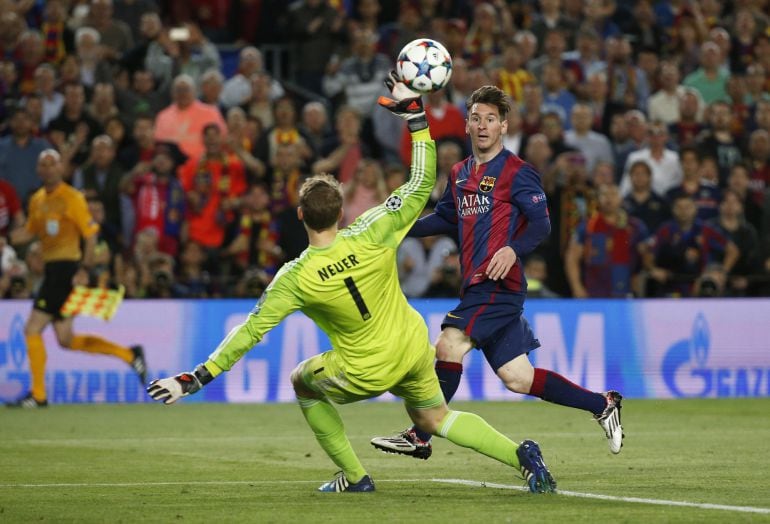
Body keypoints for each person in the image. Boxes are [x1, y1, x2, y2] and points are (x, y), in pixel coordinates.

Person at [146, 74, 556, 494]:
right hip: (413, 347)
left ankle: (356, 477)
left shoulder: (295, 277)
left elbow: (250, 332)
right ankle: (519, 456)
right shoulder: (373, 227)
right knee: (435, 418)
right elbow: (419, 182)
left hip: (367, 368)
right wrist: (415, 117)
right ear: (341, 211)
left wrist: (195, 378)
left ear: (301, 216)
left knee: (302, 381)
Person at [371, 85, 624, 461]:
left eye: (491, 119)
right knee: (518, 377)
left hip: (497, 286)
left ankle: (420, 435)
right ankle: (602, 403)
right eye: (476, 118)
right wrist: (396, 229)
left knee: (449, 344)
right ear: (468, 125)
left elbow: (541, 225)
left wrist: (511, 248)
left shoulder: (519, 172)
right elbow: (444, 218)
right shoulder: (459, 172)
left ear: (504, 126)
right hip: (478, 286)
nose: (483, 125)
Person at [6, 149, 147, 408]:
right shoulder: (37, 200)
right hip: (52, 270)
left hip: (66, 270)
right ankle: (128, 354)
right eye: (43, 164)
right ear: (39, 170)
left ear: (61, 168)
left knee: (32, 329)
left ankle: (38, 395)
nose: (48, 168)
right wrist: (7, 238)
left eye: (53, 164)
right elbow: (30, 232)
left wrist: (85, 268)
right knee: (66, 339)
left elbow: (90, 234)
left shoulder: (72, 198)